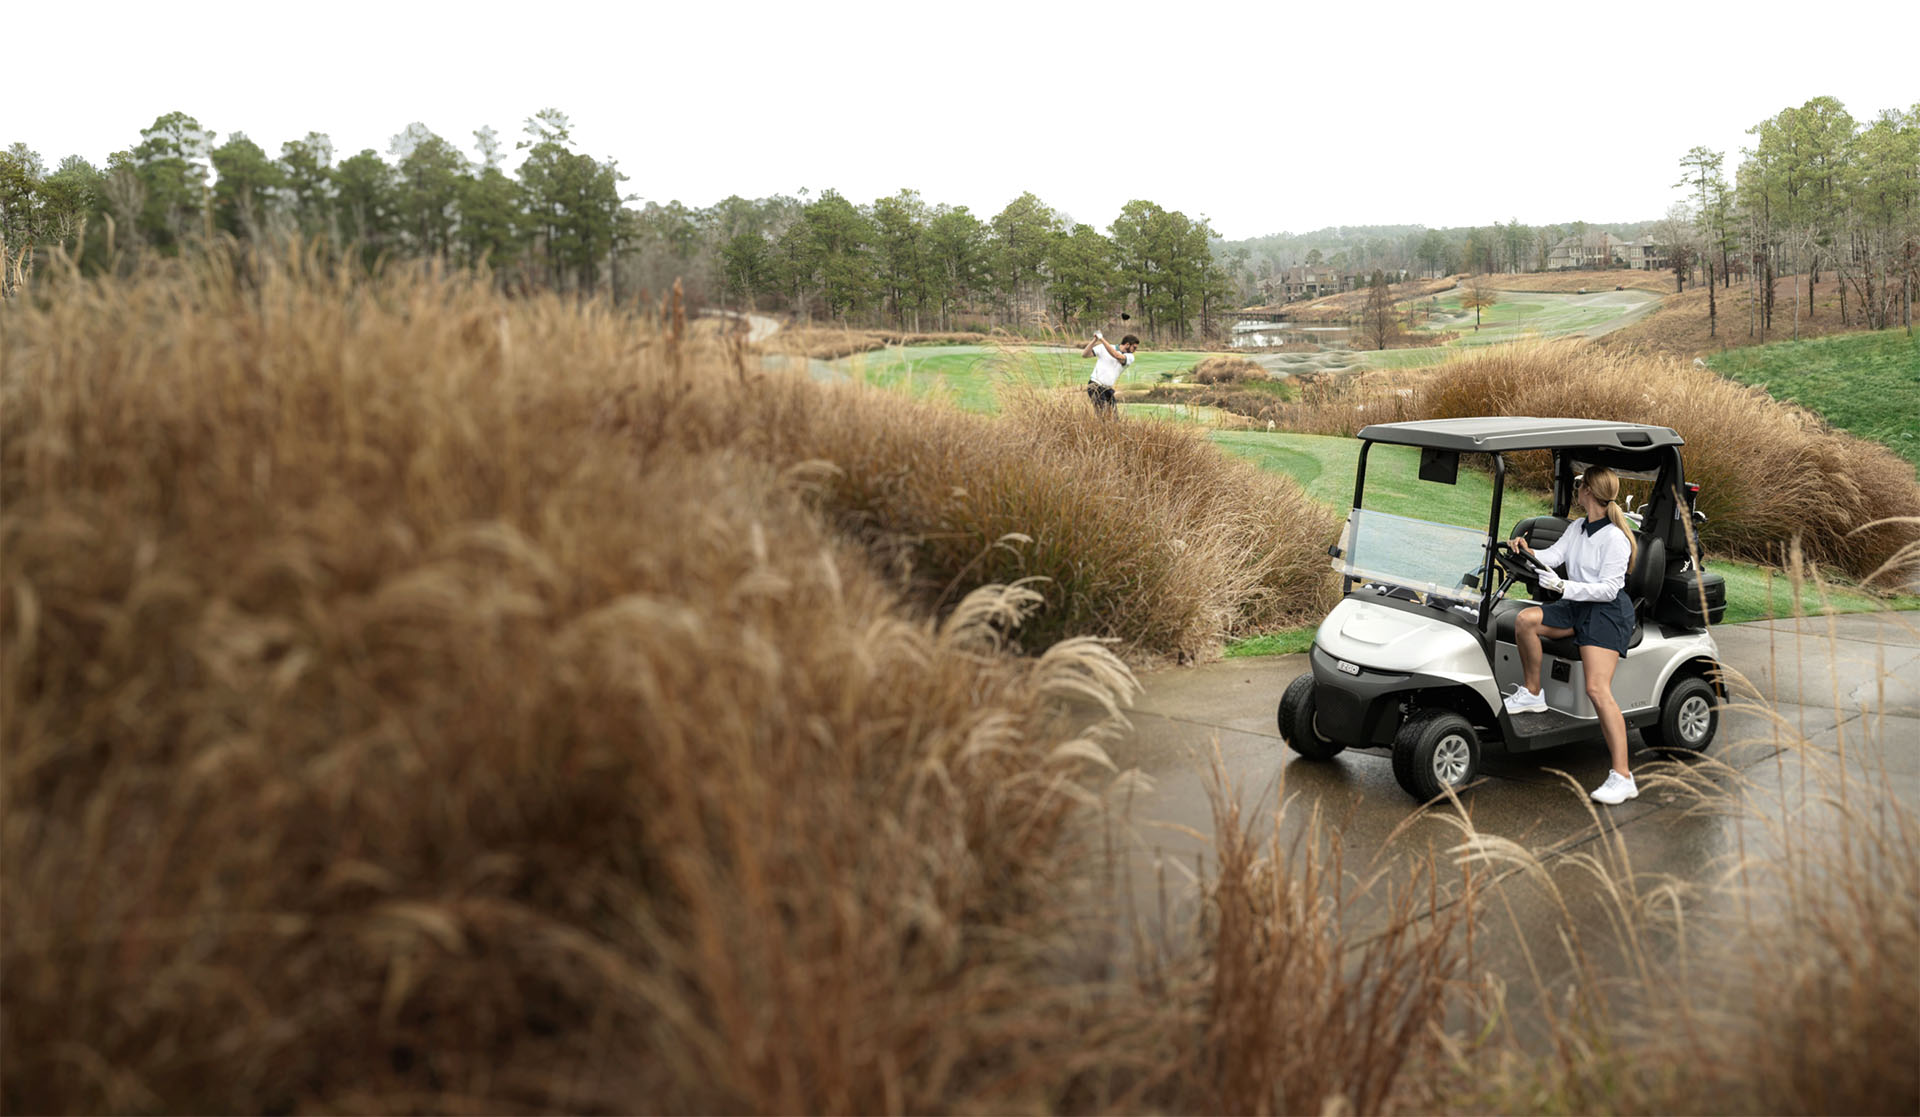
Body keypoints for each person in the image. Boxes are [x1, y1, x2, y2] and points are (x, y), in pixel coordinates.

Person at [1501, 466, 1642, 805]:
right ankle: (1534, 693)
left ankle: (1623, 776)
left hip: (1607, 612)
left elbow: (1609, 590)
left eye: (1580, 485)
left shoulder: (1615, 538)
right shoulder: (1579, 527)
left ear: (1589, 492)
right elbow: (1554, 557)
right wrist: (1528, 552)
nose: (1576, 489)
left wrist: (1565, 586)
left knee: (1597, 688)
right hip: (1576, 603)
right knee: (1525, 621)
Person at [1081, 331, 1139, 418]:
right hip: (1095, 386)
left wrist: (1102, 339)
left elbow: (1116, 355)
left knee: (1115, 418)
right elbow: (1085, 354)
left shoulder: (1130, 357)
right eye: (1134, 348)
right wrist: (1095, 340)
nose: (1135, 350)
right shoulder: (1103, 347)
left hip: (1108, 389)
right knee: (1103, 415)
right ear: (1127, 344)